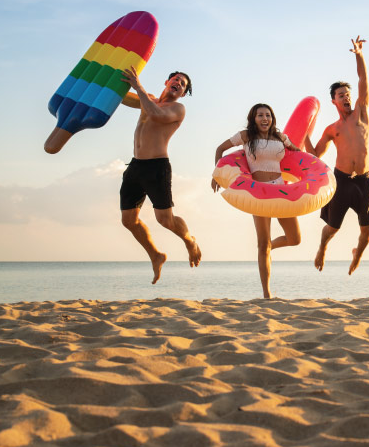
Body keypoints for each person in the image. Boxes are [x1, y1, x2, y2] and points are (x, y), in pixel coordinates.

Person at [120, 67, 202, 284]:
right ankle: (156, 255)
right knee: (128, 221)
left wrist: (138, 87)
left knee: (165, 220)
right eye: (176, 79)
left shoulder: (178, 108)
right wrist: (113, 82)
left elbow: (156, 114)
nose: (178, 83)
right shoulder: (148, 100)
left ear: (183, 93)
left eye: (183, 84)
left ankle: (189, 240)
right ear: (167, 81)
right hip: (135, 166)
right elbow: (120, 97)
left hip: (157, 168)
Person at [212, 104, 303, 298]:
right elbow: (220, 149)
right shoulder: (246, 136)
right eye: (260, 115)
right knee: (262, 245)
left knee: (295, 239)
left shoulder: (281, 138)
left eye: (268, 115)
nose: (265, 118)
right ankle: (267, 293)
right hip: (259, 194)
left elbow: (298, 154)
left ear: (272, 118)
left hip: (280, 190)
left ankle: (269, 246)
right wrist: (217, 174)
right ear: (253, 118)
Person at [304, 36, 369, 275]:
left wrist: (359, 55)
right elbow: (314, 155)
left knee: (367, 231)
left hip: (364, 180)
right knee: (332, 228)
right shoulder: (332, 129)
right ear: (333, 100)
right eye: (341, 95)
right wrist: (303, 134)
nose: (346, 97)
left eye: (347, 94)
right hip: (341, 180)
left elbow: (363, 79)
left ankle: (358, 254)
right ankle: (322, 248)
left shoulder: (361, 113)